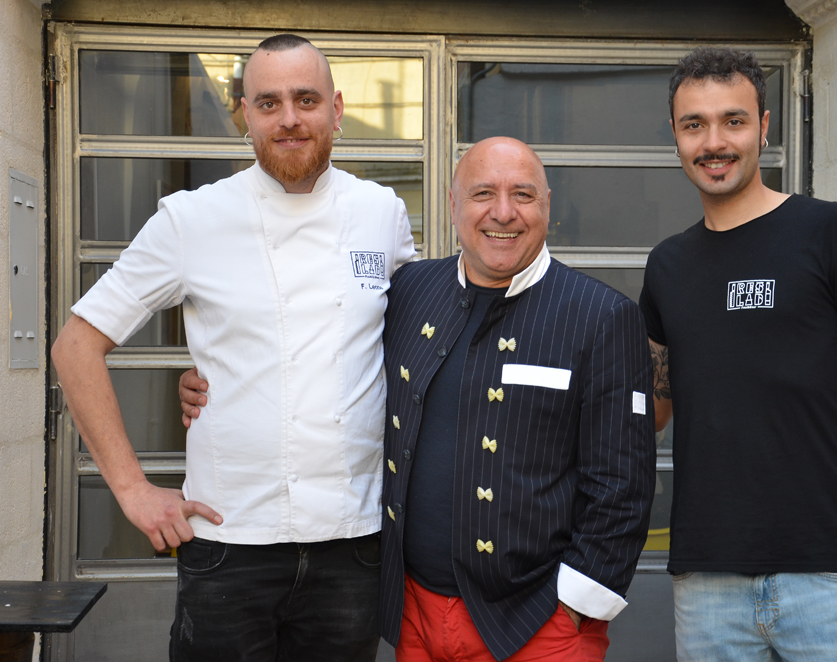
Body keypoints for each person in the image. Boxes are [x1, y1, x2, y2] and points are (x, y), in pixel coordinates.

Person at [183, 137, 656, 660]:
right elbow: (329, 361)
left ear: (547, 206)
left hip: (538, 623)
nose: (503, 212)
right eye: (482, 194)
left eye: (522, 195)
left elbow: (622, 481)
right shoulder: (409, 290)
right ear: (453, 206)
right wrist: (217, 380)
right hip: (415, 613)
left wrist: (576, 603)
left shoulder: (602, 316)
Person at [51, 33, 415, 662]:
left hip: (354, 544)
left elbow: (404, 341)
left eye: (306, 99)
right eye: (269, 103)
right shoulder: (191, 219)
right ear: (244, 115)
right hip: (229, 543)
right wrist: (134, 490)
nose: (290, 118)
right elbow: (75, 346)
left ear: (336, 107)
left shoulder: (381, 211)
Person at [637, 47, 837, 660]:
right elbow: (649, 410)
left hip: (834, 580)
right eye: (695, 125)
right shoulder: (666, 266)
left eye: (733, 121)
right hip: (707, 585)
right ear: (675, 135)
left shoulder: (834, 233)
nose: (714, 141)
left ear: (765, 126)